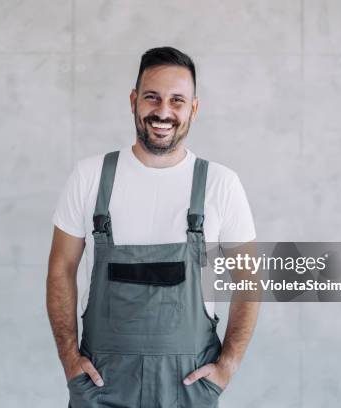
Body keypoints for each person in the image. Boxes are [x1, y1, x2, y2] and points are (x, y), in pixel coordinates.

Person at [47, 46, 259, 407]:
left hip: (188, 387)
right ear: (133, 100)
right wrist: (69, 360)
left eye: (177, 100)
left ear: (194, 108)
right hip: (101, 385)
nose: (163, 111)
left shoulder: (221, 184)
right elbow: (60, 270)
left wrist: (227, 366)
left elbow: (249, 280)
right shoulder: (90, 177)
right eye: (152, 97)